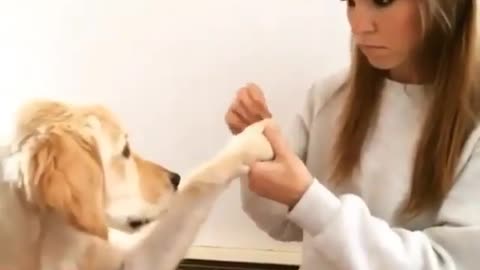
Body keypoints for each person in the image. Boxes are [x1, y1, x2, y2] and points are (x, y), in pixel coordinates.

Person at [224, 0, 479, 269]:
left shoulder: (472, 122)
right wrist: (260, 151)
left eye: (382, 1)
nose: (358, 26)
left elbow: (449, 262)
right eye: (351, 3)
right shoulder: (329, 97)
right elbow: (281, 225)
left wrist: (309, 200)